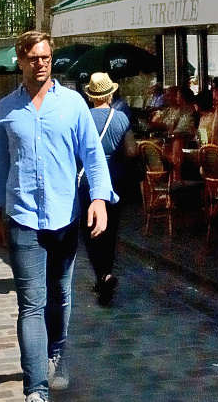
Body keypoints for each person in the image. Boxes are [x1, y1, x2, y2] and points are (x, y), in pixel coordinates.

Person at [0, 31, 115, 402]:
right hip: (22, 217)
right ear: (21, 61)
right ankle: (35, 389)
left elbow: (93, 155)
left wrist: (100, 199)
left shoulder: (73, 104)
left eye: (45, 57)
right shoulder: (6, 109)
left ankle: (55, 352)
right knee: (30, 303)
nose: (40, 63)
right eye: (32, 57)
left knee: (60, 294)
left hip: (64, 216)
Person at [79, 73, 136, 305]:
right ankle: (106, 273)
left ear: (90, 96)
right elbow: (131, 151)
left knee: (90, 231)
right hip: (115, 181)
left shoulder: (83, 117)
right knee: (110, 232)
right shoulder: (121, 118)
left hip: (87, 181)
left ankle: (102, 275)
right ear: (110, 94)